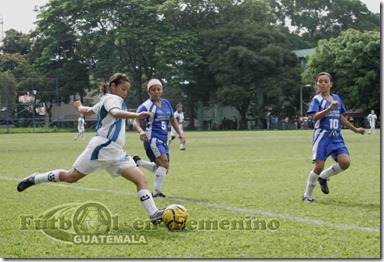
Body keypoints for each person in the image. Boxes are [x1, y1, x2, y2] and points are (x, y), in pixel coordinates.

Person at [16, 73, 164, 224]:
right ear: (113, 86)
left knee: (141, 180)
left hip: (117, 152)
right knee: (70, 177)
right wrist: (136, 114)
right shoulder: (113, 99)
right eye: (123, 89)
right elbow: (115, 113)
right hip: (102, 147)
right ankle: (35, 178)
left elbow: (88, 111)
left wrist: (79, 106)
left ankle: (154, 214)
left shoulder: (105, 99)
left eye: (126, 90)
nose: (125, 93)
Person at [302, 72, 365, 203]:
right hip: (322, 136)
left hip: (336, 136)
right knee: (319, 166)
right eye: (320, 81)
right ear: (317, 84)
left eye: (325, 81)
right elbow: (315, 117)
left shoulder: (336, 98)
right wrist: (329, 108)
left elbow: (341, 117)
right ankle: (307, 195)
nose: (323, 83)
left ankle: (324, 177)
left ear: (330, 84)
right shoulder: (317, 100)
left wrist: (355, 130)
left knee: (345, 162)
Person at [132, 79, 185, 198]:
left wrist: (180, 134)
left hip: (163, 139)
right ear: (148, 92)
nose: (156, 92)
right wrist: (141, 131)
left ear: (162, 90)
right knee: (164, 164)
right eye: (153, 90)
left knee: (163, 169)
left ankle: (138, 162)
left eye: (158, 89)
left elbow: (172, 119)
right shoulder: (146, 106)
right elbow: (135, 121)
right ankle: (156, 193)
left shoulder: (166, 103)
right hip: (152, 139)